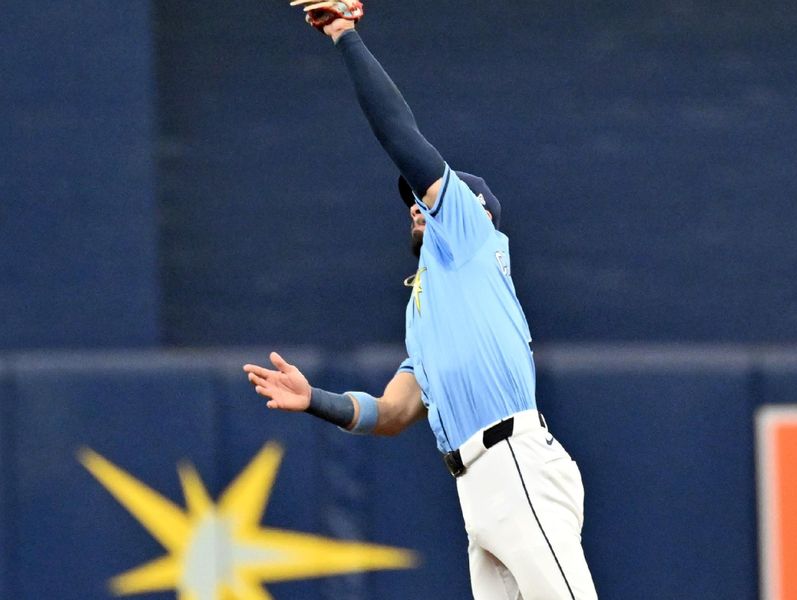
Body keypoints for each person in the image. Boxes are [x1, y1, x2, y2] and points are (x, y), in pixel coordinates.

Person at [244, 3, 598, 598]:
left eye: (426, 196)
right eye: (413, 200)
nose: (417, 203)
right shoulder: (428, 307)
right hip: (475, 487)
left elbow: (398, 134)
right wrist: (316, 401)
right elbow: (393, 412)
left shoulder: (470, 230)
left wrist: (346, 38)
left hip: (515, 463)